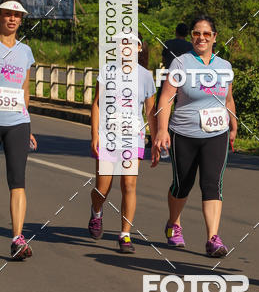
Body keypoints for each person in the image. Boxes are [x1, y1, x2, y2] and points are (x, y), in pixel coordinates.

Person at [152, 14, 237, 256]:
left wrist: (233, 124)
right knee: (183, 184)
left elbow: (228, 98)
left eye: (206, 34)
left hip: (216, 133)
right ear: (191, 37)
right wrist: (161, 130)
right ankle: (174, 223)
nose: (201, 38)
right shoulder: (181, 63)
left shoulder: (225, 66)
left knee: (212, 185)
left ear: (215, 37)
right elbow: (167, 98)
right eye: (196, 34)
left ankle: (213, 238)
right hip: (184, 132)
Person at [88, 34, 157, 253]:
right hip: (108, 136)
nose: (125, 47)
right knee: (102, 189)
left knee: (129, 185)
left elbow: (150, 111)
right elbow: (97, 104)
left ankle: (125, 235)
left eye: (131, 43)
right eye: (121, 43)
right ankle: (96, 212)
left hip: (132, 138)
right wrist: (95, 135)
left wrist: (154, 139)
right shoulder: (107, 71)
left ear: (139, 48)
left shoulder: (145, 76)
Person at [0, 0, 36, 261]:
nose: (12, 19)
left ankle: (17, 238)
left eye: (17, 15)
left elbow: (25, 90)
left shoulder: (25, 51)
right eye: (7, 14)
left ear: (21, 20)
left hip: (17, 123)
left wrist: (29, 124)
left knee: (18, 181)